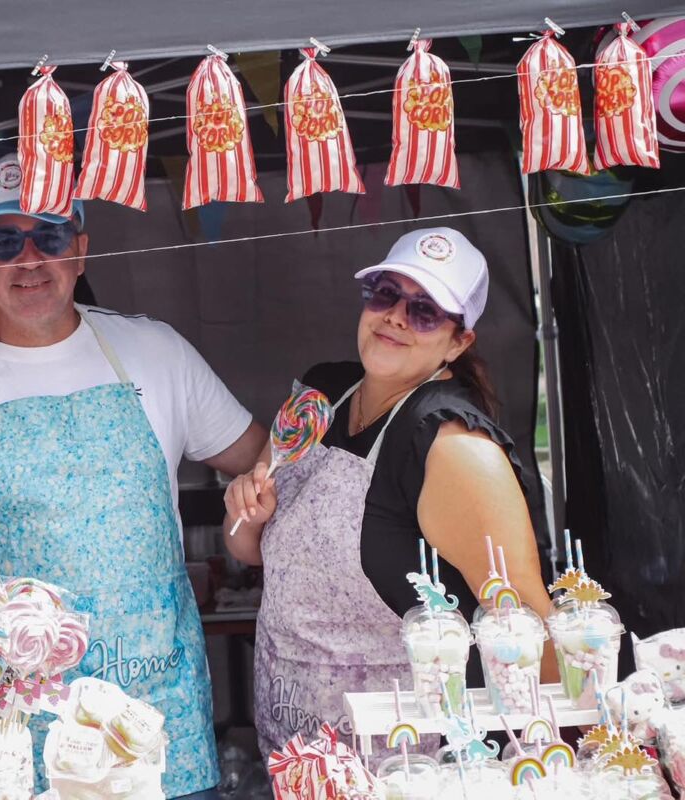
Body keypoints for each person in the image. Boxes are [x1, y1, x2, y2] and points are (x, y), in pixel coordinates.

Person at [0, 153, 266, 799]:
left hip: (161, 724)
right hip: (19, 746)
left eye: (50, 236)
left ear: (82, 249)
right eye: (4, 241)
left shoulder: (157, 352)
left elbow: (264, 459)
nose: (30, 259)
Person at [222, 228, 553, 757]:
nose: (397, 316)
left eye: (425, 311)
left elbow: (527, 626)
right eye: (386, 294)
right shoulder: (321, 393)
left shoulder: (453, 448)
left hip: (405, 763)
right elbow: (249, 550)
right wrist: (248, 514)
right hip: (294, 746)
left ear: (459, 341)